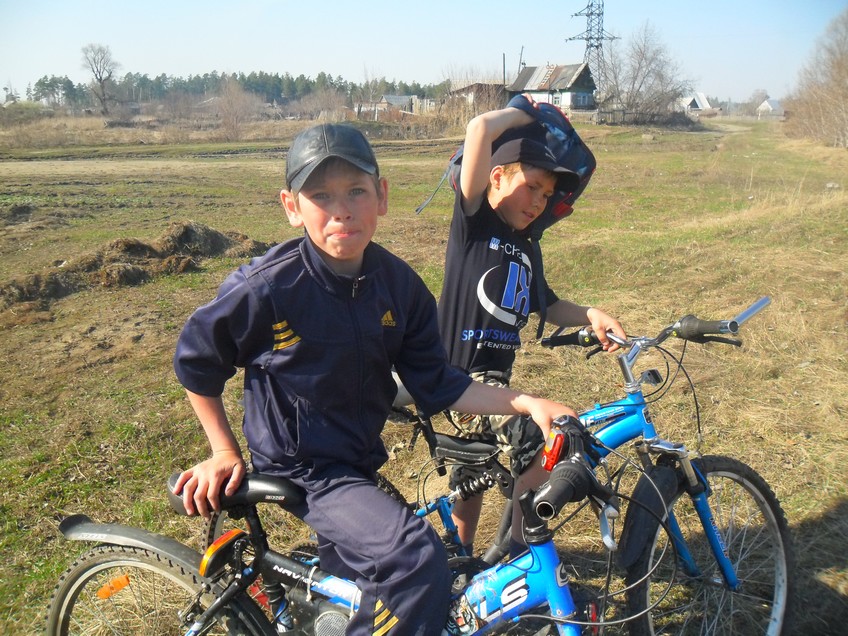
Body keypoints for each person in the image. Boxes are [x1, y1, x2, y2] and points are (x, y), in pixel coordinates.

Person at [171, 123, 578, 636]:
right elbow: (196, 361)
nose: (341, 210)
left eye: (357, 191)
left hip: (358, 459)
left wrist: (525, 401)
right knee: (415, 560)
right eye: (320, 195)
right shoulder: (268, 288)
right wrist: (223, 452)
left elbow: (439, 384)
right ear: (292, 206)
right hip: (306, 467)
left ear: (382, 196)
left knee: (364, 585)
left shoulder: (399, 287)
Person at [437, 99, 626, 559]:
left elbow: (549, 303)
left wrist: (590, 314)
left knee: (473, 476)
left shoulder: (526, 247)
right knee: (545, 439)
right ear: (497, 179)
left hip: (493, 382)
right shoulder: (474, 223)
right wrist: (525, 115)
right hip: (458, 378)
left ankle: (465, 562)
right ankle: (518, 553)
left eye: (547, 195)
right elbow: (479, 128)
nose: (540, 201)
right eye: (533, 186)